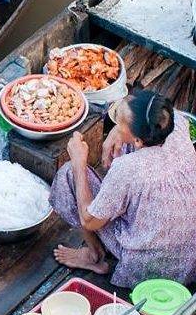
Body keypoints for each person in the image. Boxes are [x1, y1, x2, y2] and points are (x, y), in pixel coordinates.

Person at [50, 89, 196, 288]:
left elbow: (89, 220)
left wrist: (78, 162)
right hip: (187, 261)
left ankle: (94, 255)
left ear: (138, 140)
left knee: (68, 175)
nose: (116, 126)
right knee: (123, 150)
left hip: (146, 266)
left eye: (119, 124)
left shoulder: (128, 169)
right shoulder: (176, 122)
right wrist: (115, 133)